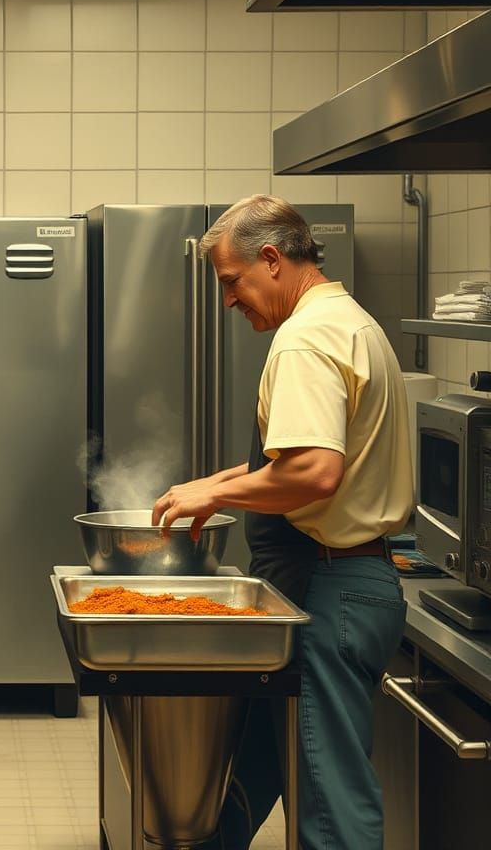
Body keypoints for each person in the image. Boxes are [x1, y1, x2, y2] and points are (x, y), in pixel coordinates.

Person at [152, 195, 412, 850]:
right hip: (340, 583)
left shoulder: (304, 340)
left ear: (271, 259)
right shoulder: (347, 320)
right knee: (261, 769)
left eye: (232, 282)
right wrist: (215, 482)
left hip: (331, 590)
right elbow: (297, 458)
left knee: (329, 808)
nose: (229, 302)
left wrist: (218, 499)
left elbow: (314, 473)